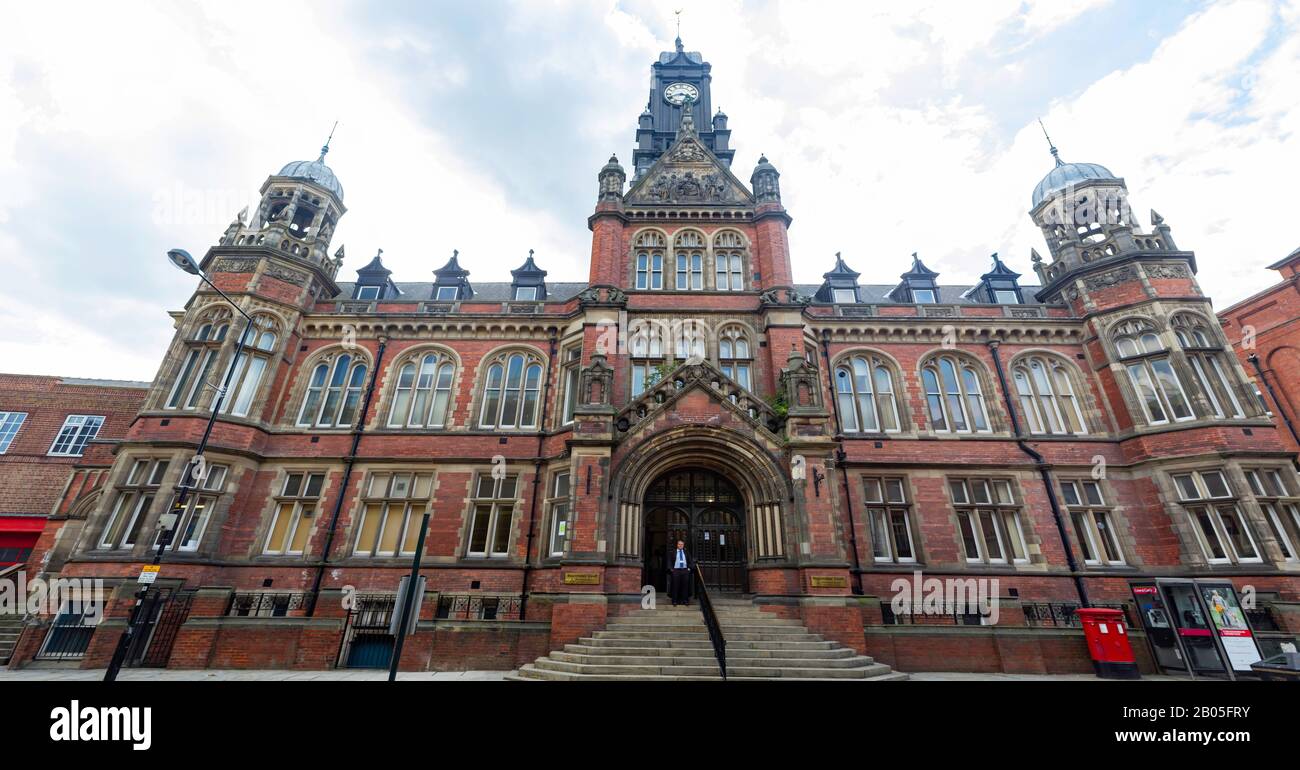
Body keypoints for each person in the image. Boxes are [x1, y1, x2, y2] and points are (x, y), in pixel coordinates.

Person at [667, 539, 692, 606]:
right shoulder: (673, 552)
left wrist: (689, 569)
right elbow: (669, 561)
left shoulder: (686, 552)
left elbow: (690, 561)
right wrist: (671, 569)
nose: (680, 545)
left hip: (685, 570)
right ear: (677, 545)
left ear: (683, 545)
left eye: (682, 544)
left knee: (685, 586)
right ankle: (674, 601)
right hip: (676, 570)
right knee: (675, 586)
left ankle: (685, 600)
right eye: (679, 544)